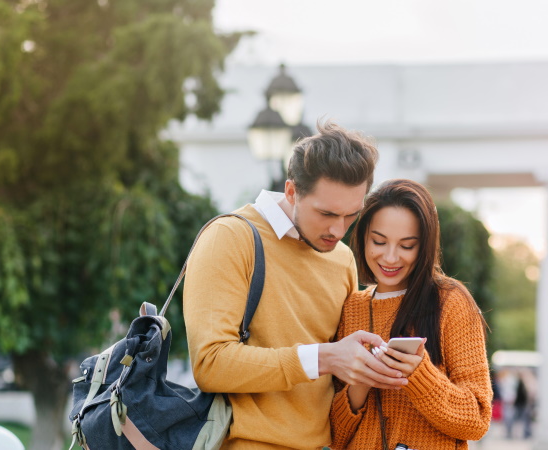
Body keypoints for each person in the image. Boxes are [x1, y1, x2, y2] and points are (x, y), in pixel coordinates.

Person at [183, 121, 407, 449]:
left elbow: (339, 378)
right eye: (326, 213)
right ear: (291, 191)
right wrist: (323, 357)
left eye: (350, 215)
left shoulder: (342, 259)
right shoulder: (230, 237)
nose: (338, 229)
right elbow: (210, 363)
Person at [330, 179, 493, 449]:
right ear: (362, 237)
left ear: (424, 246)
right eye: (379, 242)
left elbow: (476, 420)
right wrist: (360, 384)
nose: (391, 257)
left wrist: (418, 375)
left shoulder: (450, 301)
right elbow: (335, 436)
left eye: (407, 246)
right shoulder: (352, 308)